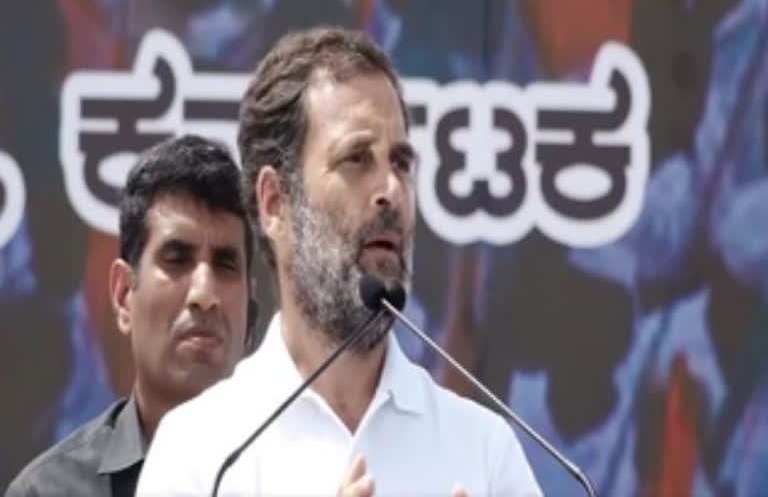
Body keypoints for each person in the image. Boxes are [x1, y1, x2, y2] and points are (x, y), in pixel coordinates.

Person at [136, 27, 542, 496]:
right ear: (274, 203)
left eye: (401, 164)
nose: (390, 190)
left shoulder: (482, 449)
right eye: (356, 159)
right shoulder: (201, 453)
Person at [5, 134, 255, 497]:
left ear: (251, 305)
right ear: (123, 295)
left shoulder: (303, 476)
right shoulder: (49, 490)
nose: (204, 294)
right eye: (177, 259)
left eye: (225, 264)